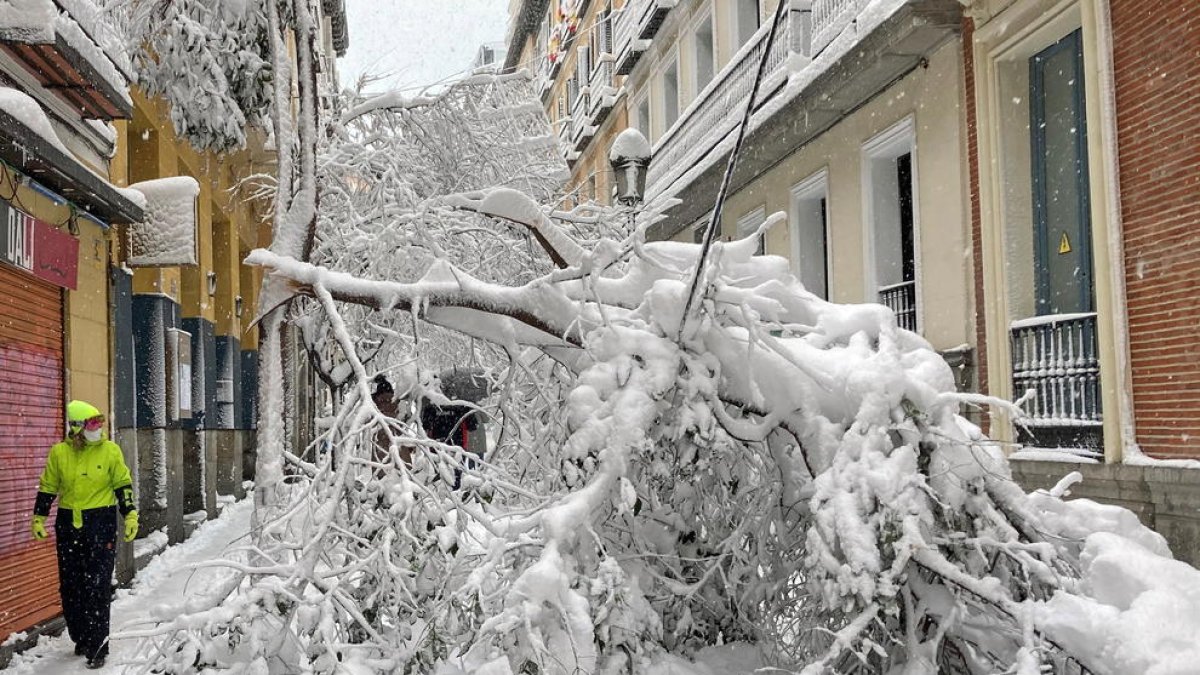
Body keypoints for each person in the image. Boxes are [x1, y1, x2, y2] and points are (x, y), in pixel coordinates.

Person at [31, 400, 138, 669]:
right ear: (77, 427)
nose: (98, 428)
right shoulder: (59, 453)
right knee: (71, 588)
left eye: (100, 422)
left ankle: (98, 645)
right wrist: (39, 516)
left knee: (98, 586)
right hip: (69, 525)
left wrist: (130, 514)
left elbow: (122, 484)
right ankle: (80, 634)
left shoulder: (110, 451)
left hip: (100, 523)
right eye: (92, 423)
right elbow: (48, 486)